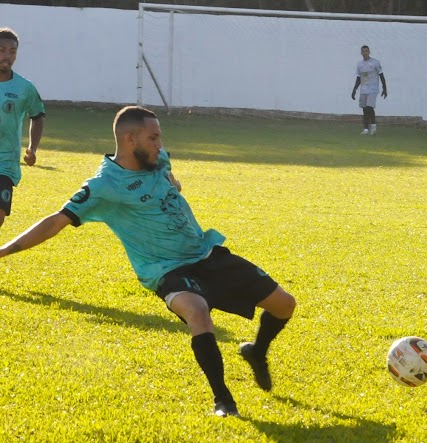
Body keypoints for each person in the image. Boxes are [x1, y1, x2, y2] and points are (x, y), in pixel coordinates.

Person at [0, 106, 295, 418]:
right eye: (153, 137)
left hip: (206, 253)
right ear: (130, 139)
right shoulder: (104, 186)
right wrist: (4, 251)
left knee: (285, 305)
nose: (160, 144)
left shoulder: (157, 158)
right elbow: (54, 223)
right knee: (197, 310)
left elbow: (171, 179)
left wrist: (173, 183)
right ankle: (224, 401)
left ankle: (256, 352)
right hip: (166, 269)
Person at [0, 27, 45, 230]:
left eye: (12, 51)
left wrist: (33, 148)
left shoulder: (24, 87)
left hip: (5, 163)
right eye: (1, 50)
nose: (7, 56)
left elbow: (37, 116)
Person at [351, 45, 387, 136]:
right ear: (361, 53)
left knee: (369, 107)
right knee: (364, 109)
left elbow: (381, 75)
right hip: (364, 88)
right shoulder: (360, 64)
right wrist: (354, 89)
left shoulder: (375, 62)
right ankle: (366, 129)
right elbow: (359, 77)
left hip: (373, 88)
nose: (365, 53)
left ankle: (373, 126)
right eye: (363, 51)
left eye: (366, 51)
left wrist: (384, 88)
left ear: (369, 52)